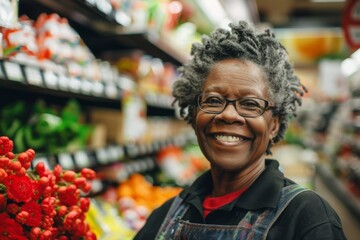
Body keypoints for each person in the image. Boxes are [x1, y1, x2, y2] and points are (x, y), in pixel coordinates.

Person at [134, 21, 347, 240]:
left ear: (273, 124)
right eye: (214, 100)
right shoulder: (166, 214)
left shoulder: (306, 218)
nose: (228, 114)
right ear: (195, 113)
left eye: (250, 104)